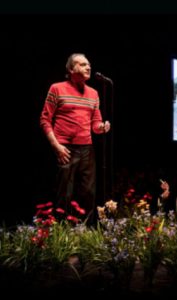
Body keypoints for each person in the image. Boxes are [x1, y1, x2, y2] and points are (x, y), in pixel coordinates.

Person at [39, 53, 111, 224]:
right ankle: (60, 235)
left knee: (88, 194)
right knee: (64, 194)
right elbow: (44, 120)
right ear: (71, 69)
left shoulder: (93, 93)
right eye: (83, 64)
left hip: (87, 149)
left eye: (89, 64)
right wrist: (56, 146)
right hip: (65, 148)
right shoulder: (57, 88)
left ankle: (84, 235)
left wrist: (102, 127)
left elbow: (95, 124)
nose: (88, 67)